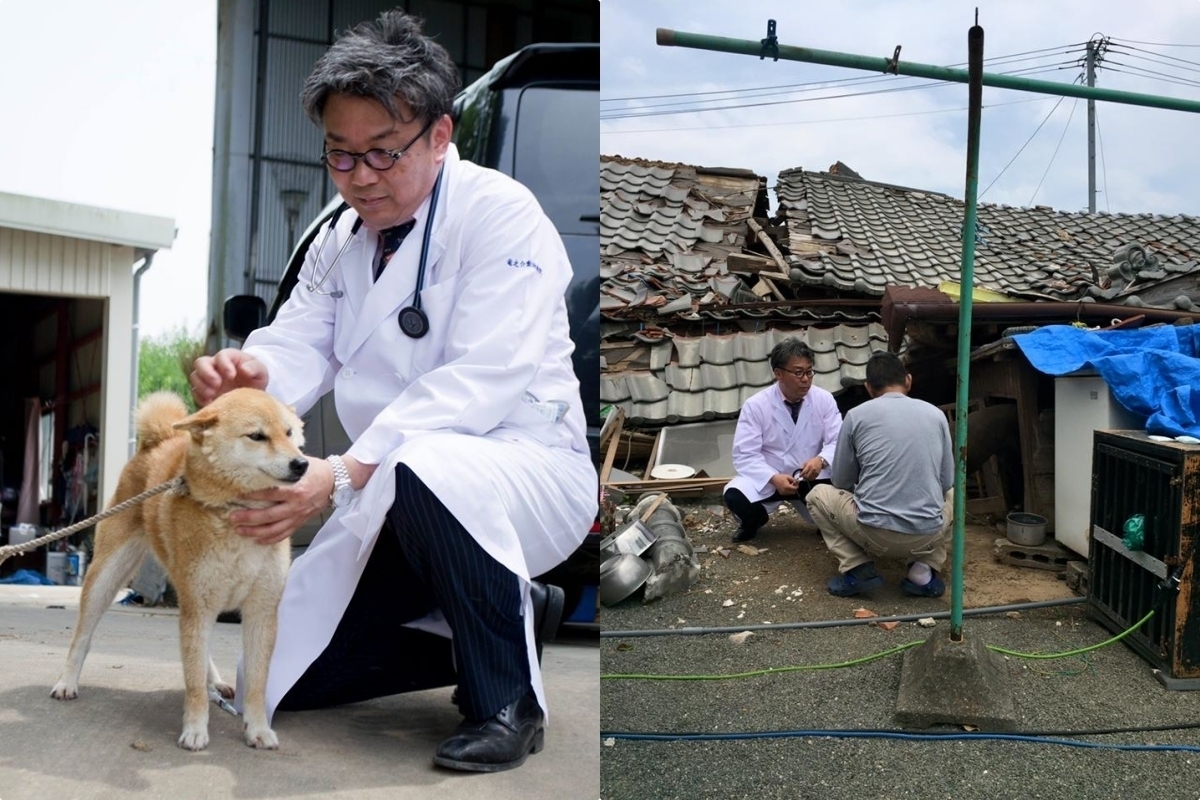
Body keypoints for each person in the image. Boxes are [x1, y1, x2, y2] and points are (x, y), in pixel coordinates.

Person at [188, 9, 596, 773]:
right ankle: (509, 615)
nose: (361, 178)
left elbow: (482, 379)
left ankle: (507, 700)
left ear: (440, 135)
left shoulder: (503, 217)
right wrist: (248, 377)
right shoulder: (341, 236)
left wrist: (339, 473)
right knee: (269, 681)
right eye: (340, 157)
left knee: (429, 464)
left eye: (383, 154)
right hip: (389, 490)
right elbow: (300, 340)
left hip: (522, 471)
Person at [805, 351, 954, 598]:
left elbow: (841, 481)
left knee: (817, 494)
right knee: (954, 493)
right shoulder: (936, 415)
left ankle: (857, 567)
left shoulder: (855, 416)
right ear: (908, 380)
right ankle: (923, 570)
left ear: (868, 387)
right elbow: (946, 480)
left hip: (873, 535)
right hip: (926, 535)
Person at [723, 338, 842, 543]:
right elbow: (745, 454)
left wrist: (820, 460)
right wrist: (773, 477)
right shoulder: (756, 405)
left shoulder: (824, 399)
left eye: (809, 371)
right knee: (734, 495)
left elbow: (838, 440)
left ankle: (825, 524)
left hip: (810, 474)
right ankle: (752, 522)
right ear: (778, 374)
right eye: (798, 372)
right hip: (771, 475)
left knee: (842, 489)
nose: (805, 379)